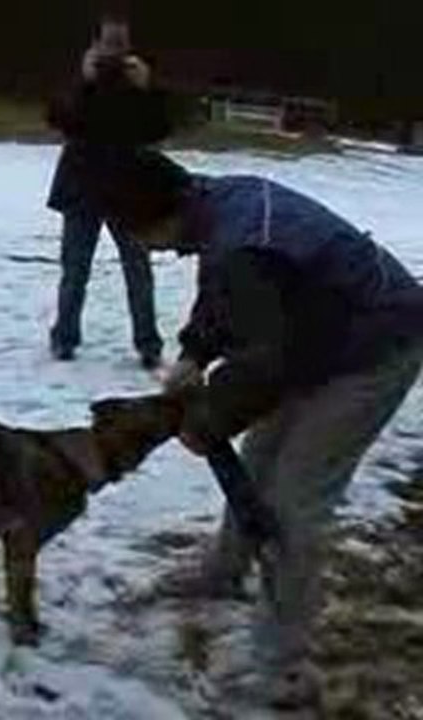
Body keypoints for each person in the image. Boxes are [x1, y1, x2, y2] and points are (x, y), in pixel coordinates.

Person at [101, 154, 422, 708]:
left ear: (163, 217)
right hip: (318, 339)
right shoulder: (218, 209)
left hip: (375, 347)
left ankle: (282, 663)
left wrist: (209, 420)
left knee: (295, 502)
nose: (143, 249)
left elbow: (268, 363)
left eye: (137, 237)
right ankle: (222, 572)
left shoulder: (242, 243)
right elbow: (229, 301)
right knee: (257, 465)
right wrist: (195, 353)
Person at [45, 14, 172, 366]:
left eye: (120, 44)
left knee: (138, 270)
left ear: (129, 47)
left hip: (129, 191)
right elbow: (58, 119)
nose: (114, 51)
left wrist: (148, 89)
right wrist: (82, 82)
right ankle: (64, 338)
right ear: (97, 44)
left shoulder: (139, 84)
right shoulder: (83, 82)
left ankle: (148, 345)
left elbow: (160, 129)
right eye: (109, 43)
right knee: (75, 269)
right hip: (82, 189)